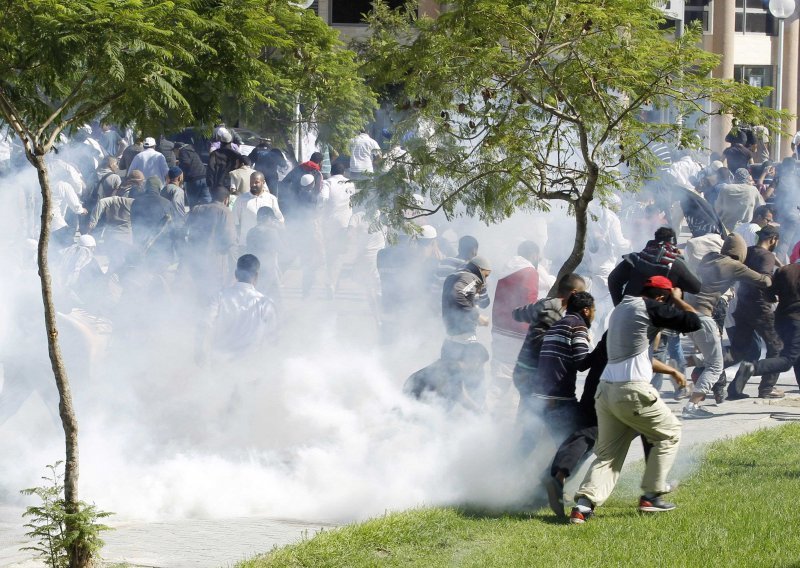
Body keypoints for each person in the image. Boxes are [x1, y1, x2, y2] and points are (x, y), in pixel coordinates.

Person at [569, 276, 700, 524]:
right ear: (661, 297)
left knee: (608, 455)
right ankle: (651, 496)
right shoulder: (649, 306)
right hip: (631, 390)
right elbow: (693, 322)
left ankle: (583, 506)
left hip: (606, 391)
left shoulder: (622, 308)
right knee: (670, 432)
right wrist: (679, 300)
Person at [683, 233, 772, 417]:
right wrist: (772, 272)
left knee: (712, 357)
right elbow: (763, 281)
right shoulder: (733, 265)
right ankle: (692, 407)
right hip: (703, 316)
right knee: (715, 367)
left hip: (687, 314)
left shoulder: (709, 258)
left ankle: (676, 363)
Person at [727, 225, 784, 399]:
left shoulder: (749, 252)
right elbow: (764, 280)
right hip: (760, 309)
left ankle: (706, 370)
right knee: (777, 348)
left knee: (739, 350)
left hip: (742, 307)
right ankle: (767, 388)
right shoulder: (766, 256)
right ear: (773, 239)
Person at [196, 254, 278, 364]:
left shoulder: (219, 297)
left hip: (220, 362)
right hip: (251, 366)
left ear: (235, 274)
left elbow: (204, 324)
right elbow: (272, 337)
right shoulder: (265, 303)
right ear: (257, 276)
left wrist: (200, 351)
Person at [489, 241, 540, 415]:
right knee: (519, 380)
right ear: (534, 254)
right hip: (518, 332)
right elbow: (530, 300)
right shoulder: (529, 272)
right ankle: (508, 419)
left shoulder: (506, 270)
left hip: (499, 329)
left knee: (499, 377)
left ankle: (484, 413)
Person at [184, 185, 237, 303]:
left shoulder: (197, 209)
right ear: (226, 199)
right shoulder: (225, 211)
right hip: (216, 262)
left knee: (199, 292)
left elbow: (183, 230)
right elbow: (230, 239)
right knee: (214, 297)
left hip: (196, 260)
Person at [403, 341, 490, 411]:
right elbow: (460, 396)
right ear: (476, 360)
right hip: (414, 394)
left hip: (413, 391)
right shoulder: (453, 367)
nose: (480, 368)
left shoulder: (453, 366)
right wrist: (479, 412)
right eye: (481, 364)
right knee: (448, 403)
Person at [321, 162, 356, 296]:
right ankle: (334, 283)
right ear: (344, 173)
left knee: (331, 254)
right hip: (345, 224)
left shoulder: (328, 183)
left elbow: (323, 199)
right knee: (338, 255)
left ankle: (332, 282)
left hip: (330, 224)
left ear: (331, 172)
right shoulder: (350, 183)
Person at [233, 171, 284, 245]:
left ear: (263, 182)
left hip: (266, 244)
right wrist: (237, 240)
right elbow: (235, 221)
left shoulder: (271, 199)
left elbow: (280, 220)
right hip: (246, 243)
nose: (253, 184)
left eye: (256, 182)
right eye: (251, 182)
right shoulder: (241, 199)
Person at [245, 206, 284, 301]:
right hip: (269, 269)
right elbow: (281, 248)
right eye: (272, 219)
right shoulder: (271, 232)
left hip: (254, 268)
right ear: (268, 218)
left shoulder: (251, 231)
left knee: (257, 294)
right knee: (274, 297)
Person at [175, 142, 209, 208]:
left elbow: (186, 163)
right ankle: (207, 216)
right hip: (204, 177)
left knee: (193, 203)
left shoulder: (182, 151)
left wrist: (179, 166)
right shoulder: (192, 151)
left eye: (174, 151)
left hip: (193, 180)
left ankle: (193, 217)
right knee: (206, 202)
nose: (174, 154)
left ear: (177, 149)